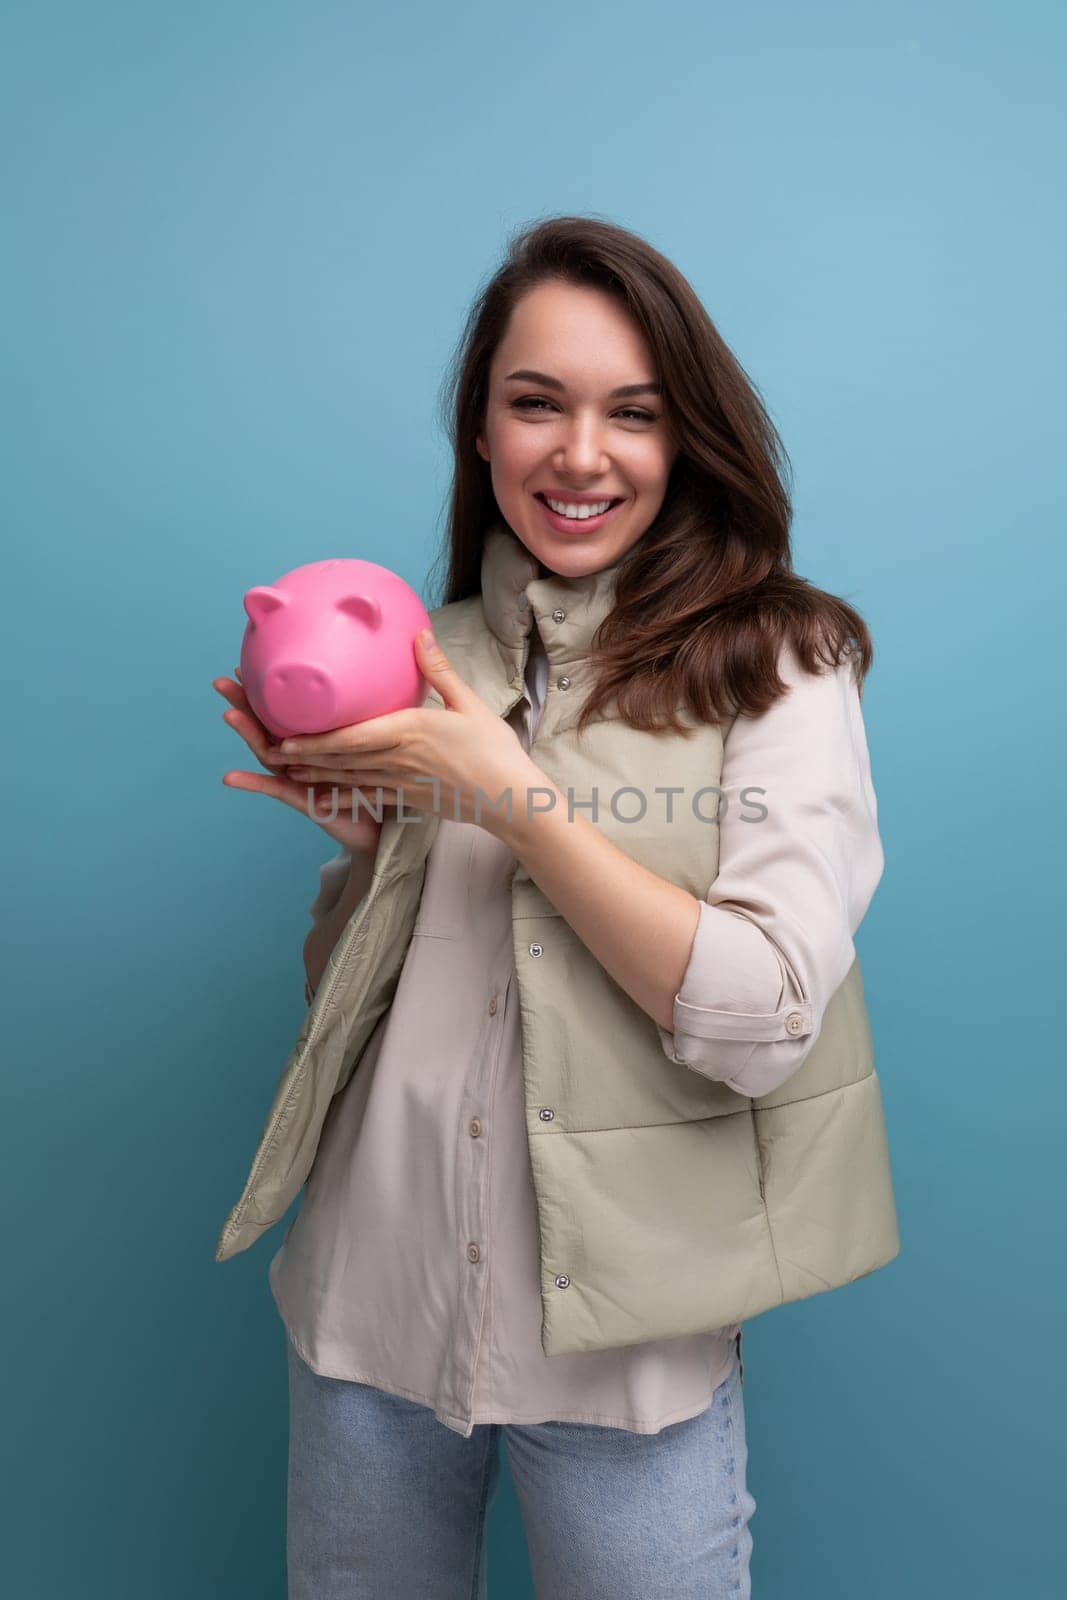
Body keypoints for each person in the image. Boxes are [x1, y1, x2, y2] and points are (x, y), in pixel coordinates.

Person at [213, 215, 898, 1599]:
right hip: (368, 1320)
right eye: (537, 404)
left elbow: (762, 1018)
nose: (580, 456)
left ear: (683, 436)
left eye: (631, 415)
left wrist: (512, 799)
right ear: (480, 431)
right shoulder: (433, 650)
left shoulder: (782, 658)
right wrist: (367, 855)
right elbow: (363, 1020)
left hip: (625, 1356)